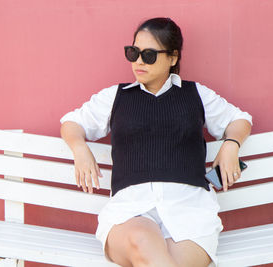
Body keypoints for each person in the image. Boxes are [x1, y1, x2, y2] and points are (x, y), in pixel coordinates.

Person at [60, 17, 252, 267]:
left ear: (172, 58)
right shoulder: (115, 97)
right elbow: (72, 124)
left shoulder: (196, 95)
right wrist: (79, 148)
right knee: (142, 240)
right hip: (129, 212)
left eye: (149, 55)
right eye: (133, 52)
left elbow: (239, 119)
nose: (138, 61)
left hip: (190, 212)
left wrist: (231, 144)